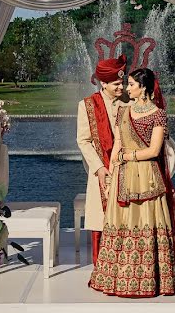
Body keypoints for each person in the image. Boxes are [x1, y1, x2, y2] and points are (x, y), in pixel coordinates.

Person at [89, 68, 175, 297]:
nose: (126, 88)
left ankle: (151, 280)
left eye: (131, 85)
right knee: (120, 223)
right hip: (123, 176)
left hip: (147, 176)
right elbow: (118, 144)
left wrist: (127, 157)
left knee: (147, 222)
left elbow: (154, 150)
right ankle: (118, 279)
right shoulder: (123, 112)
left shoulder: (157, 114)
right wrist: (111, 175)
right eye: (127, 84)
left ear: (144, 88)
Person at [76, 54, 127, 266]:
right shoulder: (87, 105)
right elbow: (83, 140)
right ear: (103, 83)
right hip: (102, 172)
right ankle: (102, 268)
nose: (121, 87)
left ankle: (126, 267)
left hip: (127, 169)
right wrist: (98, 168)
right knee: (101, 220)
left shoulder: (130, 101)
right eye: (116, 84)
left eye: (122, 82)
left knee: (126, 219)